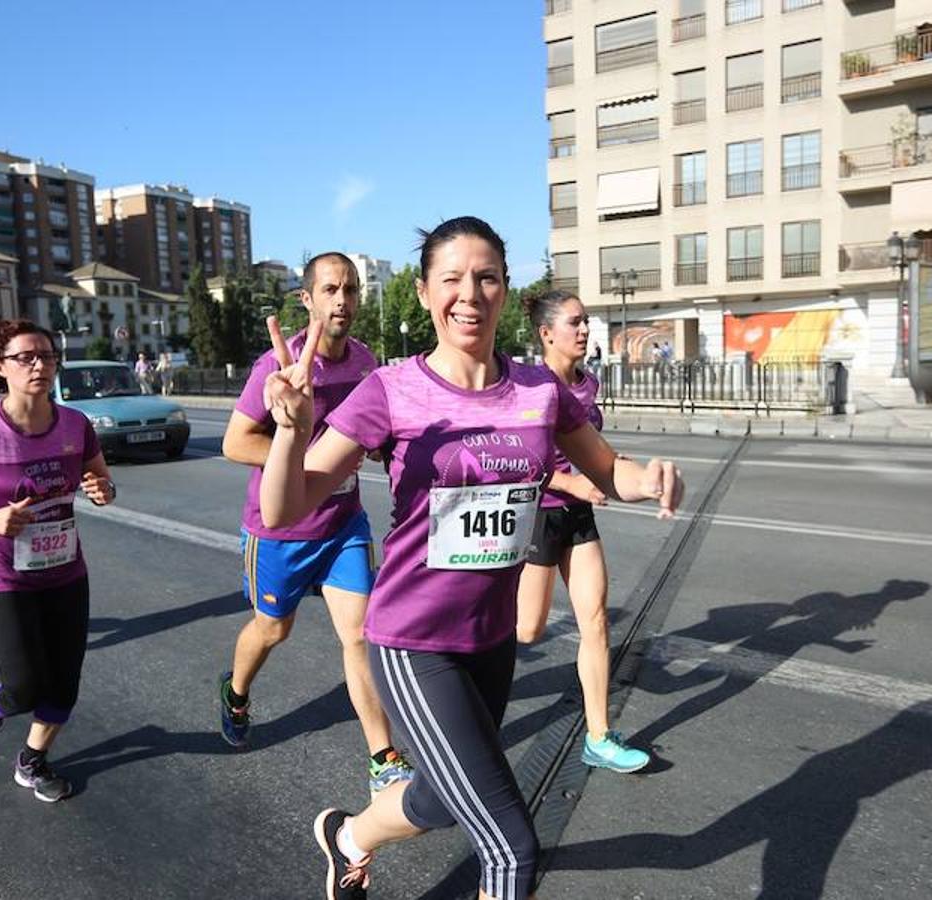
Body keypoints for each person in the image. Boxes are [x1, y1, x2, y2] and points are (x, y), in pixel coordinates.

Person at [258, 216, 682, 900]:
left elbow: (608, 473)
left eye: (485, 276)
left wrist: (650, 476)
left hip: (490, 638)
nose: (469, 293)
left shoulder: (541, 393)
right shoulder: (392, 390)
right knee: (510, 846)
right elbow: (285, 506)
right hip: (412, 639)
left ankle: (347, 839)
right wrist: (290, 431)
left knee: (437, 798)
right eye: (451, 278)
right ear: (425, 293)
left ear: (506, 291)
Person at [218, 251, 413, 798]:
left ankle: (383, 758)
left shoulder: (365, 361)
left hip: (343, 525)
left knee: (359, 636)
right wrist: (306, 452)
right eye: (330, 290)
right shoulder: (277, 366)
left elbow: (369, 432)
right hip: (278, 530)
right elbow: (235, 442)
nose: (342, 301)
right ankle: (236, 692)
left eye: (350, 290)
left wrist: (377, 448)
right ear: (307, 299)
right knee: (273, 630)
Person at [0, 319, 115, 803]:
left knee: (64, 687)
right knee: (24, 686)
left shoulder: (76, 425)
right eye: (26, 358)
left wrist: (102, 490)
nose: (39, 366)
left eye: (47, 356)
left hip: (66, 573)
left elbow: (100, 482)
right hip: (3, 578)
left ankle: (32, 761)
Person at [515, 290, 650, 774]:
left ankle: (599, 736)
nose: (585, 329)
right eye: (575, 322)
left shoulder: (587, 385)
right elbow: (515, 462)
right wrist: (571, 480)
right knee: (526, 630)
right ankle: (464, 650)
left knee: (594, 620)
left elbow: (593, 450)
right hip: (538, 515)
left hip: (577, 518)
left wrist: (621, 467)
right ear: (546, 333)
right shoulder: (529, 388)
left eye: (586, 321)